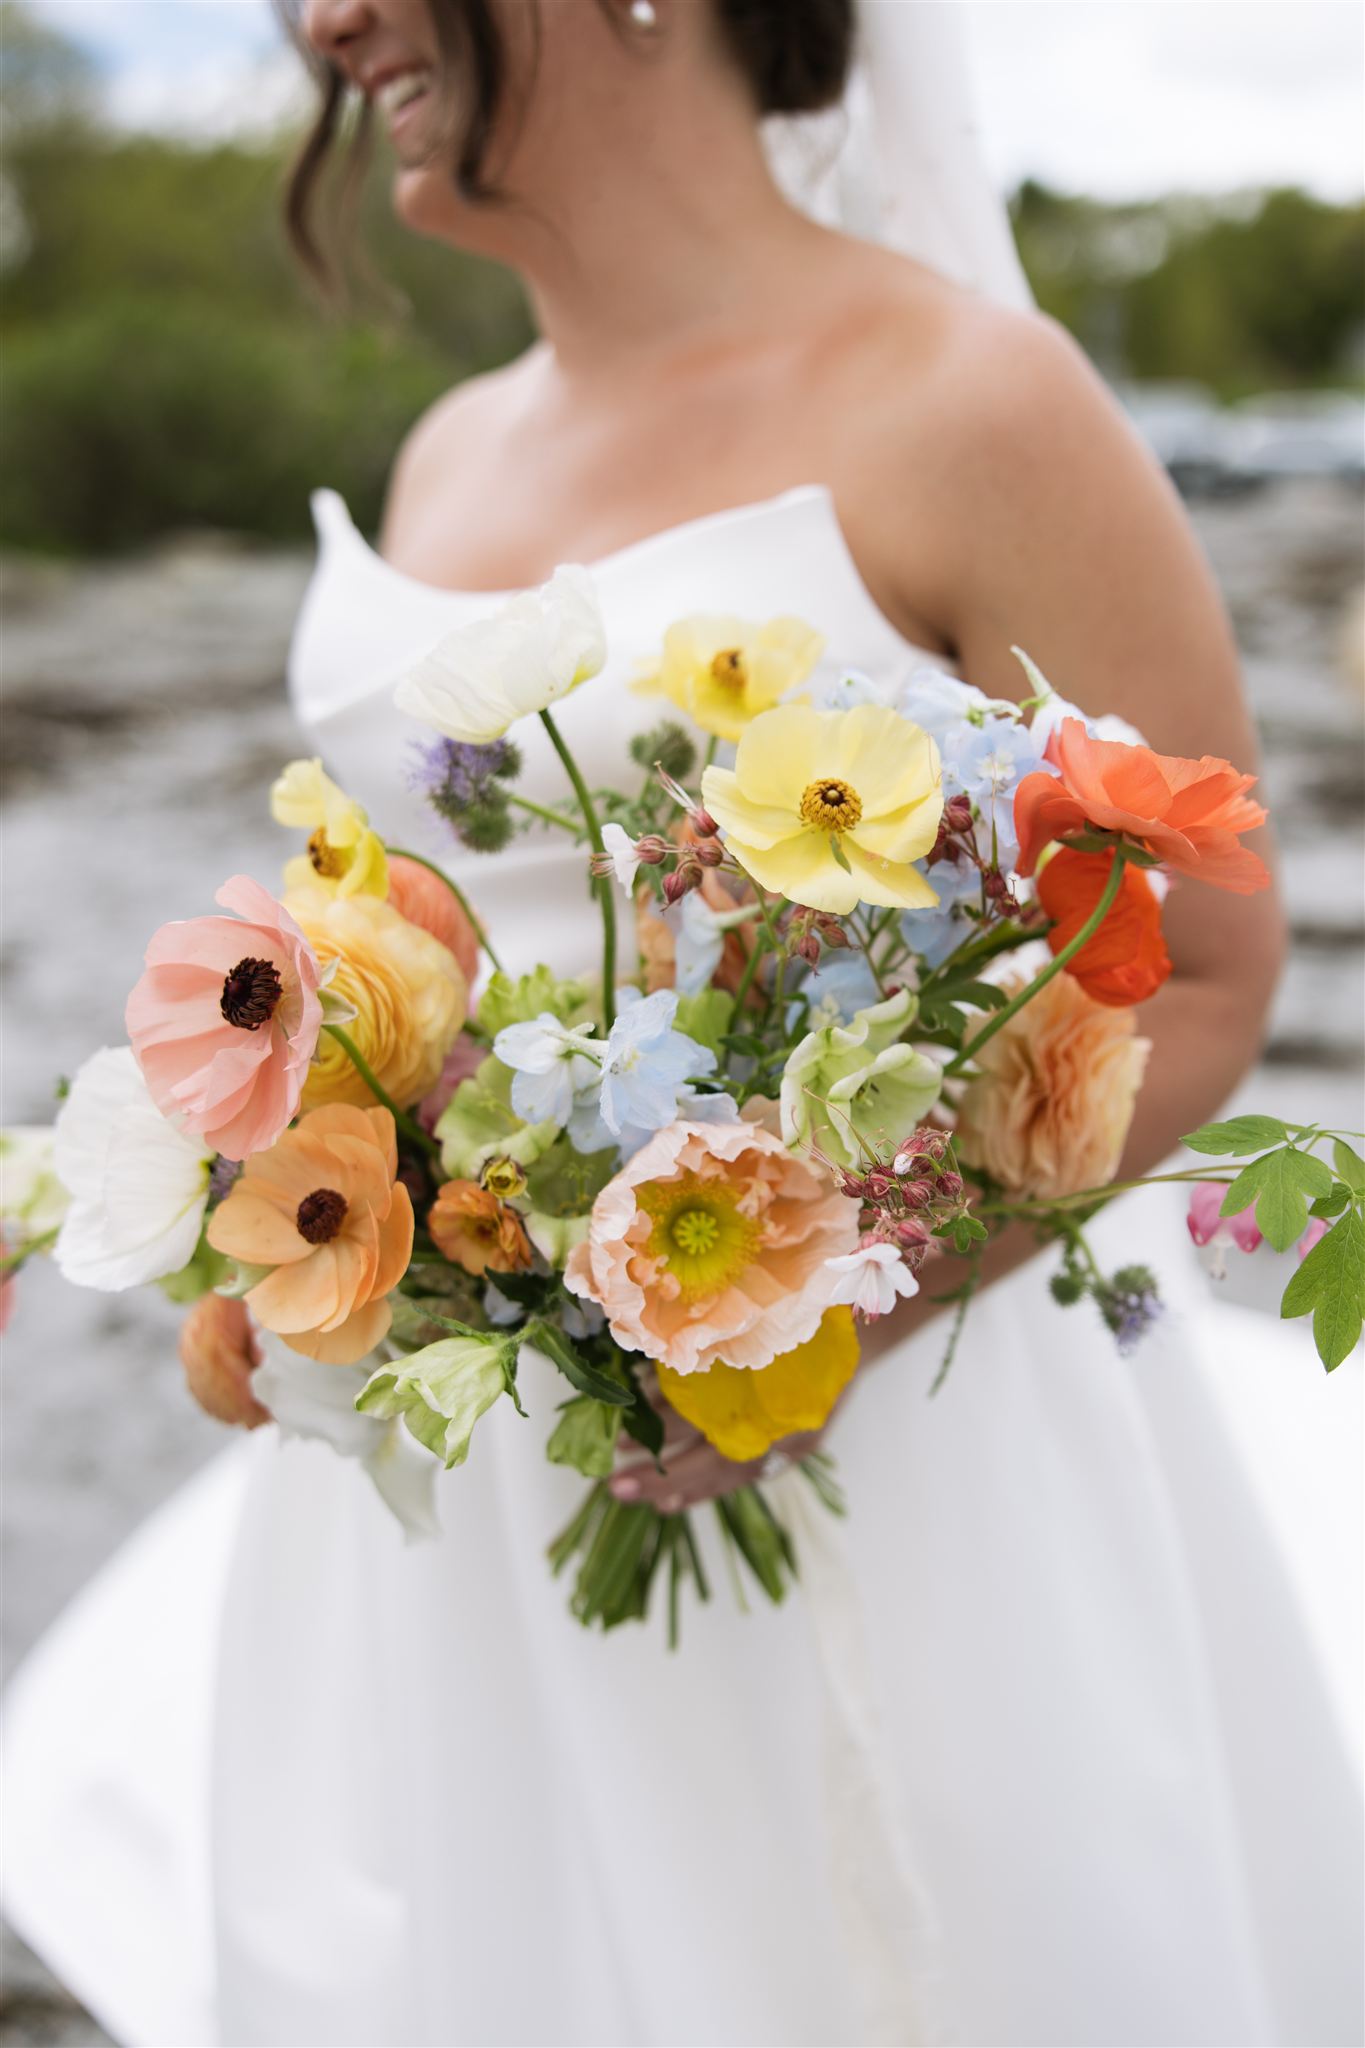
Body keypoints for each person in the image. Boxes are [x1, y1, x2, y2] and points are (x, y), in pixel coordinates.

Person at [3, 4, 1360, 2044]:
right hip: (475, 1492)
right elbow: (425, 925)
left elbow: (1216, 968)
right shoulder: (444, 448)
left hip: (894, 1446)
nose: (316, 20)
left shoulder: (972, 400)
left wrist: (842, 1300)